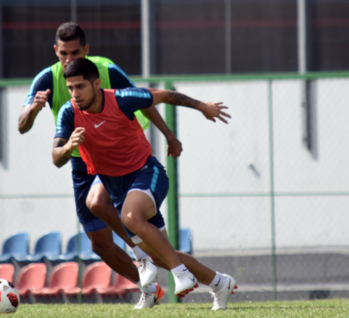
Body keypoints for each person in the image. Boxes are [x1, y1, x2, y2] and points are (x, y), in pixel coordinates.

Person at [18, 22, 182, 308]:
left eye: (75, 52)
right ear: (55, 51)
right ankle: (152, 287)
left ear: (87, 50)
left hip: (121, 157)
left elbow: (144, 100)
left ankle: (147, 256)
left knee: (104, 206)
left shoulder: (106, 71)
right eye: (63, 54)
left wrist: (169, 135)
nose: (69, 60)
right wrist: (33, 110)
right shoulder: (47, 78)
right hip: (81, 162)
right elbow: (21, 126)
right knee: (100, 245)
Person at [52, 58, 237, 309]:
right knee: (156, 253)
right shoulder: (69, 112)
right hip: (116, 187)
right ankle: (219, 283)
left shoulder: (121, 99)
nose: (75, 93)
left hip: (147, 173)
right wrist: (68, 147)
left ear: (96, 83)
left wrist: (202, 106)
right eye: (71, 87)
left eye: (80, 87)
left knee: (130, 217)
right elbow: (55, 157)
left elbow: (165, 95)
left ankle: (180, 273)